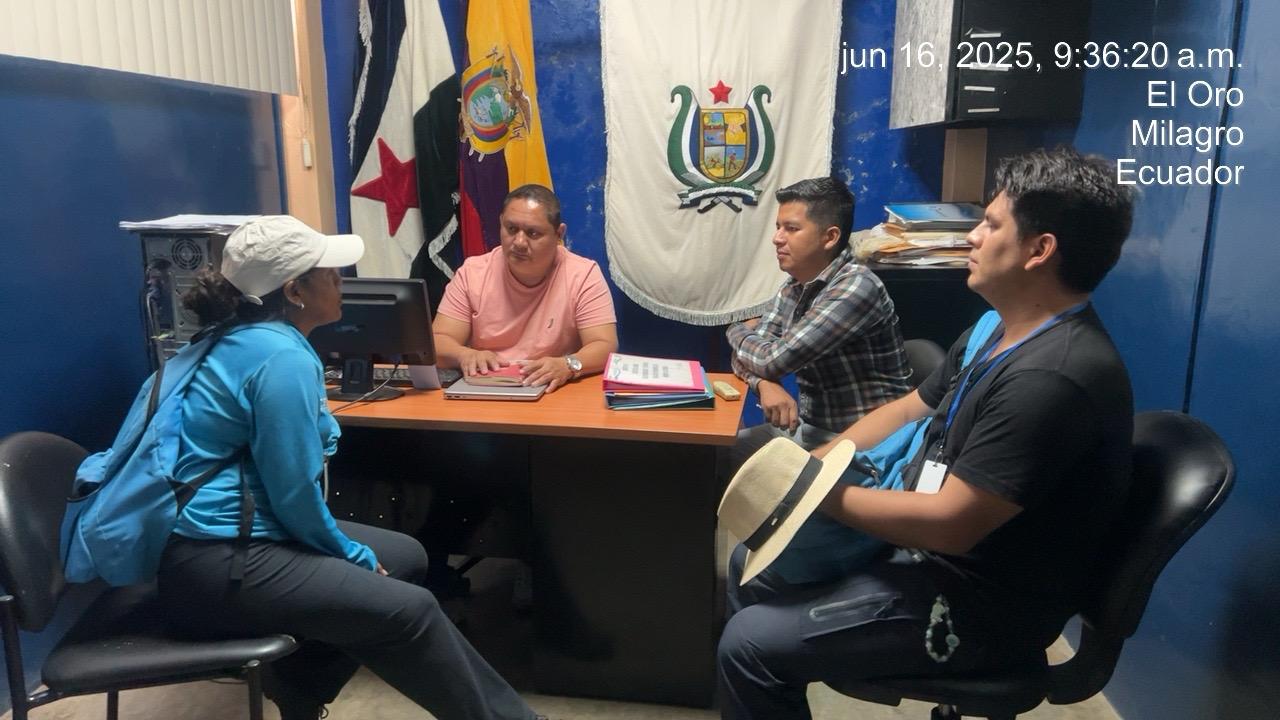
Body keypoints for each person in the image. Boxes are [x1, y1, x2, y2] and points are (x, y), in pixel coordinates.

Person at [717, 148, 1136, 719]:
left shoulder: (1052, 377)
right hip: (927, 552)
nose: (972, 238)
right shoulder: (994, 328)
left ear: (1039, 251)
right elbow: (907, 408)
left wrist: (817, 495)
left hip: (979, 601)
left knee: (750, 644)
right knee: (750, 564)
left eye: (991, 225)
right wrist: (815, 464)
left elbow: (951, 525)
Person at [158, 215, 541, 720]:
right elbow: (294, 497)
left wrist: (353, 553)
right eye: (330, 273)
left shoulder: (240, 336)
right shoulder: (279, 359)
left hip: (229, 539)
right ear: (294, 291)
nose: (342, 281)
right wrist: (351, 554)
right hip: (219, 558)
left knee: (405, 558)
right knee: (411, 609)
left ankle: (298, 686)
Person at [726, 177, 910, 463]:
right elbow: (751, 357)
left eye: (791, 229)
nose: (777, 238)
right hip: (813, 432)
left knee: (731, 466)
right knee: (713, 456)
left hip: (865, 445)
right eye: (778, 227)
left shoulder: (855, 287)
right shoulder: (795, 285)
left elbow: (771, 360)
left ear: (830, 237)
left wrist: (734, 329)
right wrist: (763, 384)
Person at [433, 184, 618, 392]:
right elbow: (438, 341)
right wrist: (465, 355)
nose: (519, 242)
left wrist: (567, 364)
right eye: (511, 229)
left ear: (559, 234)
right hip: (486, 386)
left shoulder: (583, 275)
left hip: (552, 388)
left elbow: (604, 345)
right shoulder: (472, 273)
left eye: (533, 233)